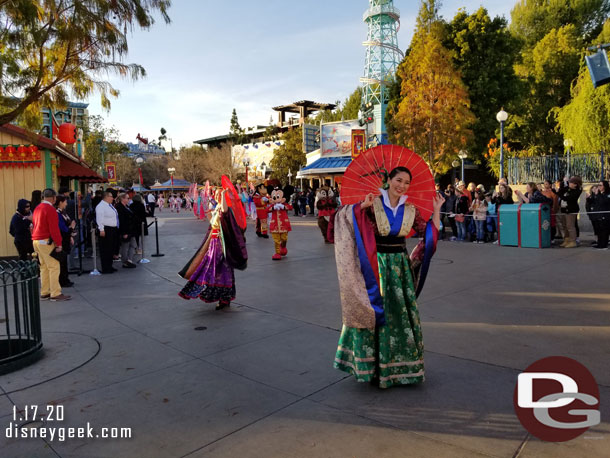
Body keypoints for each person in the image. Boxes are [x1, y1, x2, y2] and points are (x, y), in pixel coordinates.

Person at [332, 166, 443, 388]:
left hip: (399, 268)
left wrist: (437, 209)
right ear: (389, 180)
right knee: (372, 310)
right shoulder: (372, 203)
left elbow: (428, 233)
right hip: (375, 266)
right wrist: (359, 207)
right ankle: (371, 366)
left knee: (399, 314)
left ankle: (398, 365)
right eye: (398, 180)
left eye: (406, 182)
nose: (401, 186)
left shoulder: (410, 209)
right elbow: (344, 220)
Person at [178, 189, 248, 310]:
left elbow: (225, 213)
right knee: (210, 268)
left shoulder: (225, 209)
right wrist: (209, 215)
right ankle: (216, 294)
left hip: (222, 245)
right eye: (215, 193)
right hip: (213, 243)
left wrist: (223, 195)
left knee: (222, 270)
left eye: (218, 194)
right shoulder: (216, 208)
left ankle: (224, 298)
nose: (216, 195)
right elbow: (214, 225)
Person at [31, 189, 70, 301]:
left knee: (44, 267)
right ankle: (55, 293)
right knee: (53, 266)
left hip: (36, 240)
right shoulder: (50, 209)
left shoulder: (37, 208)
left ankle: (45, 291)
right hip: (46, 240)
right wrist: (59, 244)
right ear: (53, 198)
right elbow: (54, 228)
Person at [96, 191, 119, 274]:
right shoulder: (101, 206)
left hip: (112, 228)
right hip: (106, 229)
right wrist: (101, 229)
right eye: (111, 196)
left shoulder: (109, 206)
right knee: (105, 249)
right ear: (106, 197)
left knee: (111, 248)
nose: (112, 198)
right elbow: (99, 218)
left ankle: (110, 265)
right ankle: (105, 267)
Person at [55, 195, 75, 287]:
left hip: (66, 237)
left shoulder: (63, 212)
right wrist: (71, 228)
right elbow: (62, 227)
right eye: (65, 202)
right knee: (62, 261)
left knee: (64, 260)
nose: (66, 203)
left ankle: (65, 278)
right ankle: (62, 280)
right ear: (60, 202)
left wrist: (70, 235)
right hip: (62, 238)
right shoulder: (57, 213)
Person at [557, 176, 582, 248]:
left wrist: (560, 195)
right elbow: (560, 191)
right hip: (564, 209)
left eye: (571, 182)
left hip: (571, 210)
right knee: (565, 225)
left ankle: (573, 241)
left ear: (575, 184)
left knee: (570, 226)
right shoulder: (567, 189)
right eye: (569, 182)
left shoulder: (577, 191)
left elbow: (568, 198)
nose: (569, 183)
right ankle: (566, 239)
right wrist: (563, 183)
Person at [116, 192, 138, 268]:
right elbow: (121, 220)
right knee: (125, 246)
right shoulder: (119, 207)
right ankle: (125, 261)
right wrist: (124, 232)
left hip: (131, 229)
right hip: (125, 230)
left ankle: (129, 260)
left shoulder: (127, 206)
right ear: (122, 199)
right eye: (127, 198)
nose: (129, 199)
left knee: (133, 245)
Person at [593, 181, 610, 250]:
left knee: (604, 230)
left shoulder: (607, 194)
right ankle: (599, 243)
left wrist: (597, 195)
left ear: (604, 186)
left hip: (605, 215)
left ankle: (604, 245)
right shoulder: (599, 194)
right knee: (599, 230)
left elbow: (603, 201)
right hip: (598, 215)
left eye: (600, 185)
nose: (599, 186)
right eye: (598, 185)